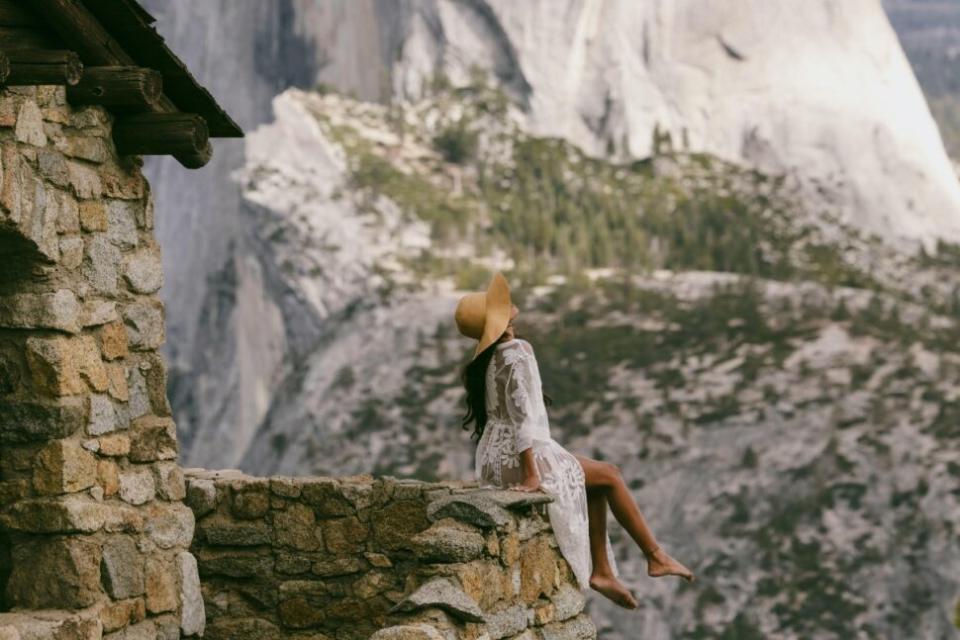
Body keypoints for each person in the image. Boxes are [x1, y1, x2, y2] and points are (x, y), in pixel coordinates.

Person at [454, 271, 694, 610]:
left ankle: (604, 572)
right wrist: (532, 474)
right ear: (498, 319)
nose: (509, 305)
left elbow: (500, 420)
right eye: (500, 305)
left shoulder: (486, 361)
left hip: (495, 460)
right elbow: (523, 418)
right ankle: (655, 556)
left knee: (593, 477)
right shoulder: (517, 350)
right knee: (610, 474)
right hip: (522, 457)